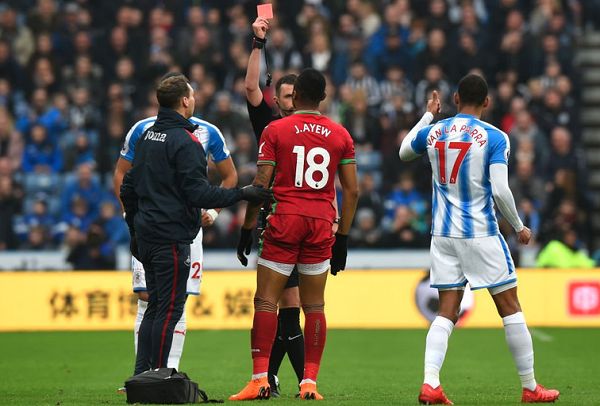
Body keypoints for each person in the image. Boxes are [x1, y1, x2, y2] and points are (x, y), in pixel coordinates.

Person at [399, 74, 560, 404]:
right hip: (480, 232)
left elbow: (403, 152)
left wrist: (429, 114)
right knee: (510, 307)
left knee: (446, 311)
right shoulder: (496, 137)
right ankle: (530, 388)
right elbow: (500, 189)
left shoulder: (434, 131)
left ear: (455, 98)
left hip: (442, 235)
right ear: (487, 102)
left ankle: (431, 383)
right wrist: (518, 226)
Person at [120, 74, 270, 375]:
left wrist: (135, 228)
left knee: (154, 304)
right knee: (170, 307)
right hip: (171, 235)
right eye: (192, 94)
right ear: (186, 101)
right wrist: (242, 194)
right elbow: (198, 192)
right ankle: (162, 375)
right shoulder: (187, 140)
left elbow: (128, 186)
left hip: (147, 234)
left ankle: (142, 375)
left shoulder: (147, 135)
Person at [230, 68, 358, 401]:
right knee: (314, 306)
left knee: (265, 302)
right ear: (324, 98)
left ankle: (260, 379)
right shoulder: (340, 134)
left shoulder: (275, 130)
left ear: (295, 95)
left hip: (284, 220)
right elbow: (352, 191)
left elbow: (260, 186)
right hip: (320, 224)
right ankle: (309, 383)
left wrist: (246, 229)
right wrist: (342, 238)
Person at [245, 16, 314, 396]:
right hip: (276, 223)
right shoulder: (269, 125)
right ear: (279, 100)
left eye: (295, 97)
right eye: (286, 97)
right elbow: (250, 86)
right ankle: (299, 380)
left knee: (287, 306)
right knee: (286, 306)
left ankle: (274, 379)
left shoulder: (314, 128)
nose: (291, 102)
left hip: (306, 223)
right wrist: (258, 43)